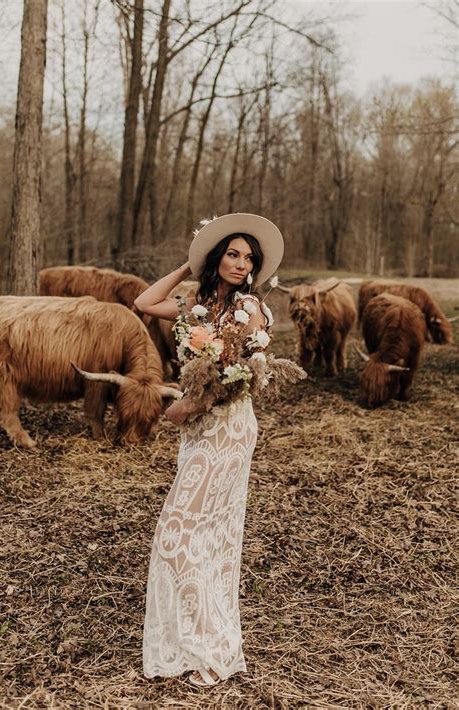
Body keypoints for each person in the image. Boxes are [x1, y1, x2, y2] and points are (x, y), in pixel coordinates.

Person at [135, 213, 284, 687]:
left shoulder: (251, 311)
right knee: (201, 538)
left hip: (227, 430)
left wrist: (187, 405)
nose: (241, 264)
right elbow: (144, 301)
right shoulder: (196, 307)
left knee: (180, 536)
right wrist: (188, 264)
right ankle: (186, 645)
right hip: (198, 432)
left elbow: (235, 379)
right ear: (218, 256)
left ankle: (213, 646)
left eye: (249, 258)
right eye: (233, 254)